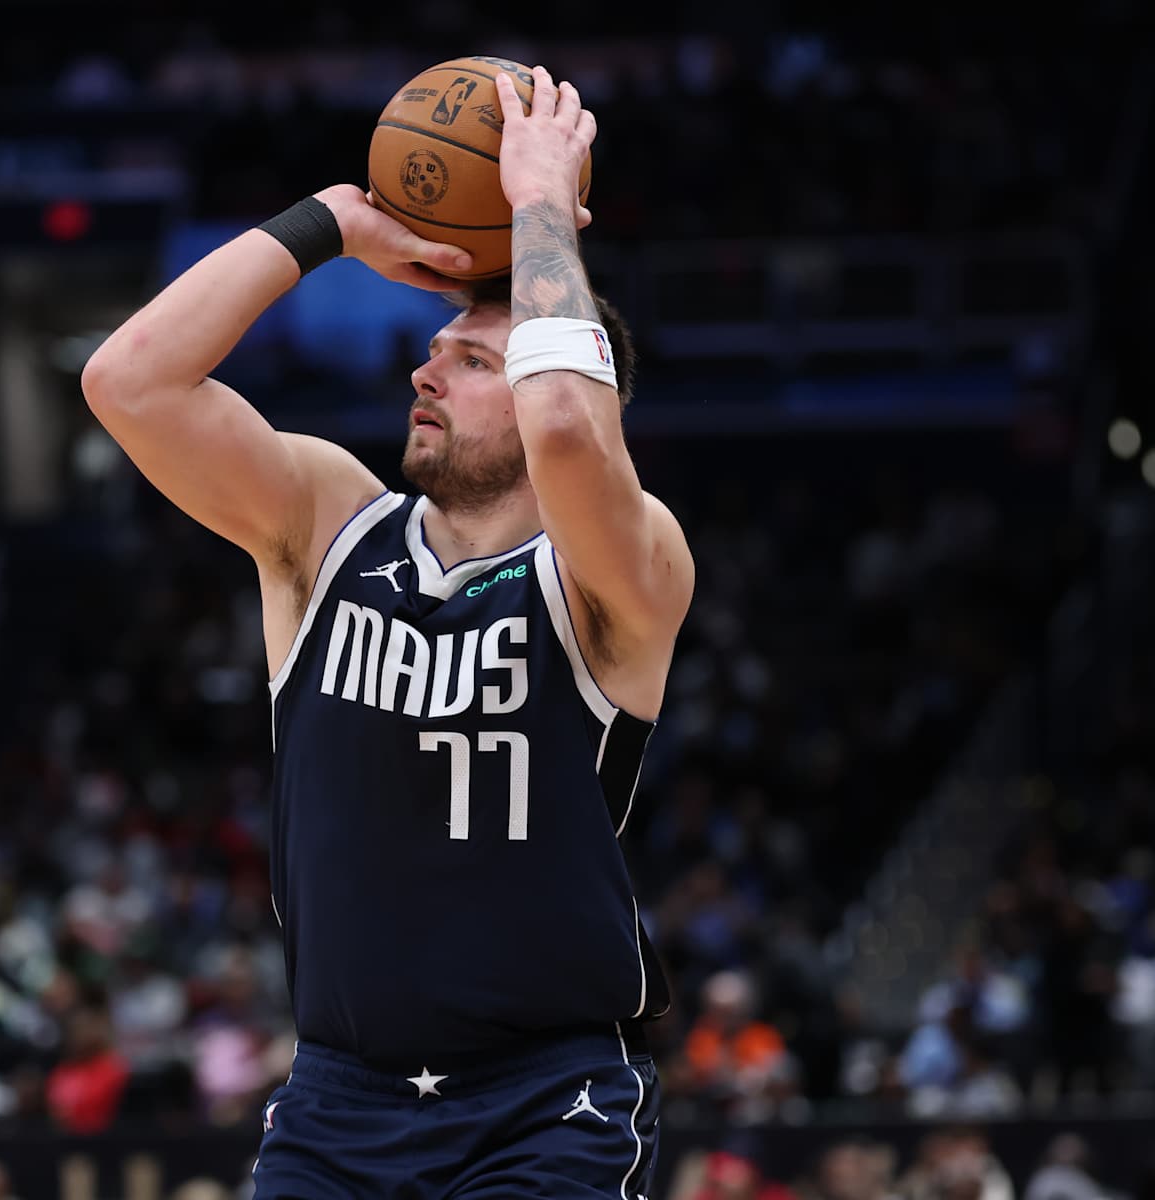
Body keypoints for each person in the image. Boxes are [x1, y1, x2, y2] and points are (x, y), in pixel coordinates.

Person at [84, 63, 693, 1199]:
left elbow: (566, 422)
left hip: (546, 1102)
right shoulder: (327, 524)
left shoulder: (622, 564)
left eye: (473, 361)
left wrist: (541, 206)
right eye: (437, 348)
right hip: (338, 1095)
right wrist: (331, 224)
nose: (426, 368)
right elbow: (129, 383)